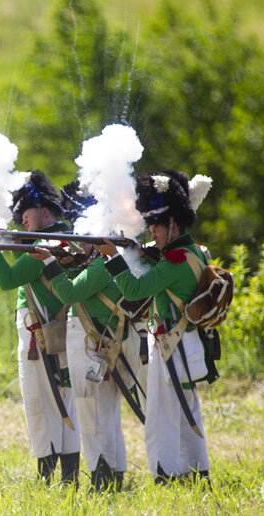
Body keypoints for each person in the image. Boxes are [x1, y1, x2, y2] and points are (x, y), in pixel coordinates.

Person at [96, 170, 211, 484]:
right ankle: (198, 472)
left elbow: (133, 291)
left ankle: (166, 474)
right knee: (188, 413)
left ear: (173, 224)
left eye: (157, 226)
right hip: (185, 345)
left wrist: (113, 259)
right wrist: (137, 252)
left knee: (161, 416)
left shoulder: (174, 260)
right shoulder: (194, 252)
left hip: (170, 347)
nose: (152, 232)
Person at [27, 180, 142, 492]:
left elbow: (68, 292)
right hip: (102, 346)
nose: (83, 245)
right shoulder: (112, 263)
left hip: (91, 347)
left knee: (90, 413)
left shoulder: (102, 266)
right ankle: (114, 472)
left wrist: (50, 262)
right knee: (105, 413)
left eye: (88, 239)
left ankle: (100, 477)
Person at [0, 170, 80, 486]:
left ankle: (45, 475)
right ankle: (70, 476)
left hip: (38, 330)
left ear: (43, 210)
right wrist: (8, 241)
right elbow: (25, 262)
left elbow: (8, 280)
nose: (22, 220)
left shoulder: (47, 244)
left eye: (25, 214)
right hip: (60, 329)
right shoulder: (64, 237)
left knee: (39, 402)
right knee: (65, 401)